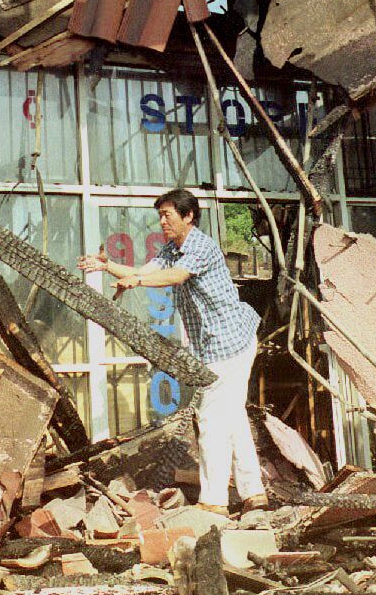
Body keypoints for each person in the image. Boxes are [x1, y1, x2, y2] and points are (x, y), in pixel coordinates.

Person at [79, 187, 268, 516]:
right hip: (217, 346)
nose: (162, 221)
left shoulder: (201, 246)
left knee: (211, 419)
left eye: (167, 215)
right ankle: (255, 494)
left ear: (189, 216)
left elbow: (176, 277)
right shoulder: (173, 249)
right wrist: (108, 267)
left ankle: (214, 502)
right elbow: (146, 271)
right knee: (233, 418)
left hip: (231, 342)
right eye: (160, 216)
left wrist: (136, 283)